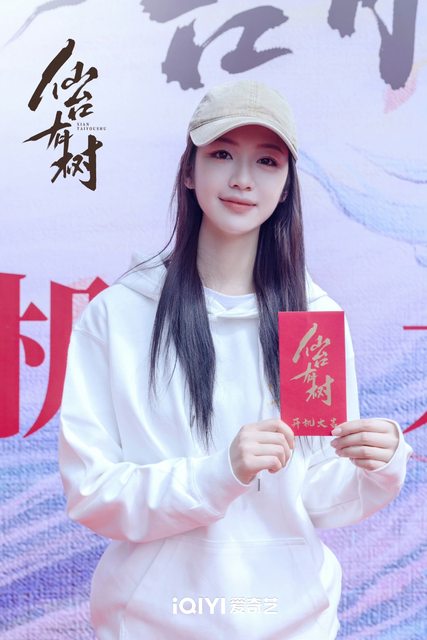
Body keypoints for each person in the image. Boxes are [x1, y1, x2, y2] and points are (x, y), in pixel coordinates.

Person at [58, 79, 412, 640]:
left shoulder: (310, 320)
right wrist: (221, 472)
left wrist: (379, 462)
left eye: (267, 161)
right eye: (222, 154)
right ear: (188, 170)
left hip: (292, 623)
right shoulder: (119, 316)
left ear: (286, 187)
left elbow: (317, 494)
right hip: (154, 624)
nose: (243, 179)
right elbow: (93, 494)